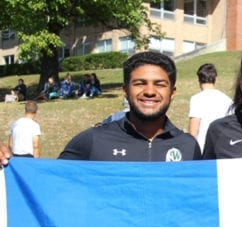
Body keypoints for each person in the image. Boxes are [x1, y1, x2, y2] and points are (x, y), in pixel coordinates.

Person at [58, 51, 201, 161]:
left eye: (159, 84)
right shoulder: (92, 141)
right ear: (125, 91)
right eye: (140, 83)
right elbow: (50, 188)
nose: (150, 91)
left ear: (172, 93)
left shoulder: (189, 146)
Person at [188, 63, 232, 151]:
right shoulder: (228, 100)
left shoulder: (196, 99)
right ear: (216, 78)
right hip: (223, 148)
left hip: (202, 150)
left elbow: (193, 132)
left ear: (198, 79)